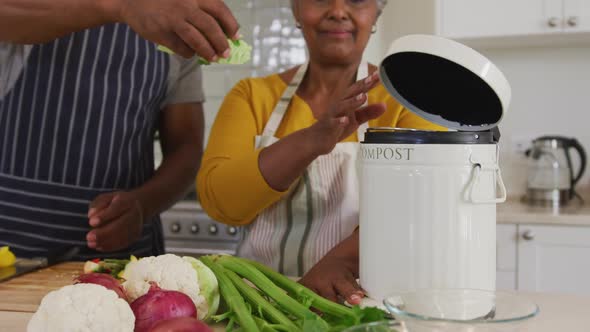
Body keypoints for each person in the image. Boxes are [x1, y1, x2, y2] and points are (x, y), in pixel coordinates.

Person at [197, 0, 445, 304]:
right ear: (296, 10)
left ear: (376, 13)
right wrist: (311, 140)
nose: (338, 11)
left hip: (368, 303)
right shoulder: (251, 96)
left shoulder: (408, 100)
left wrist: (342, 262)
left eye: (356, 0)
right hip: (261, 304)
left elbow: (428, 206)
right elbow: (222, 203)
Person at [0, 0, 239, 260]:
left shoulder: (173, 31)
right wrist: (124, 7)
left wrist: (142, 205)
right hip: (11, 252)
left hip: (121, 259)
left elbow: (186, 148)